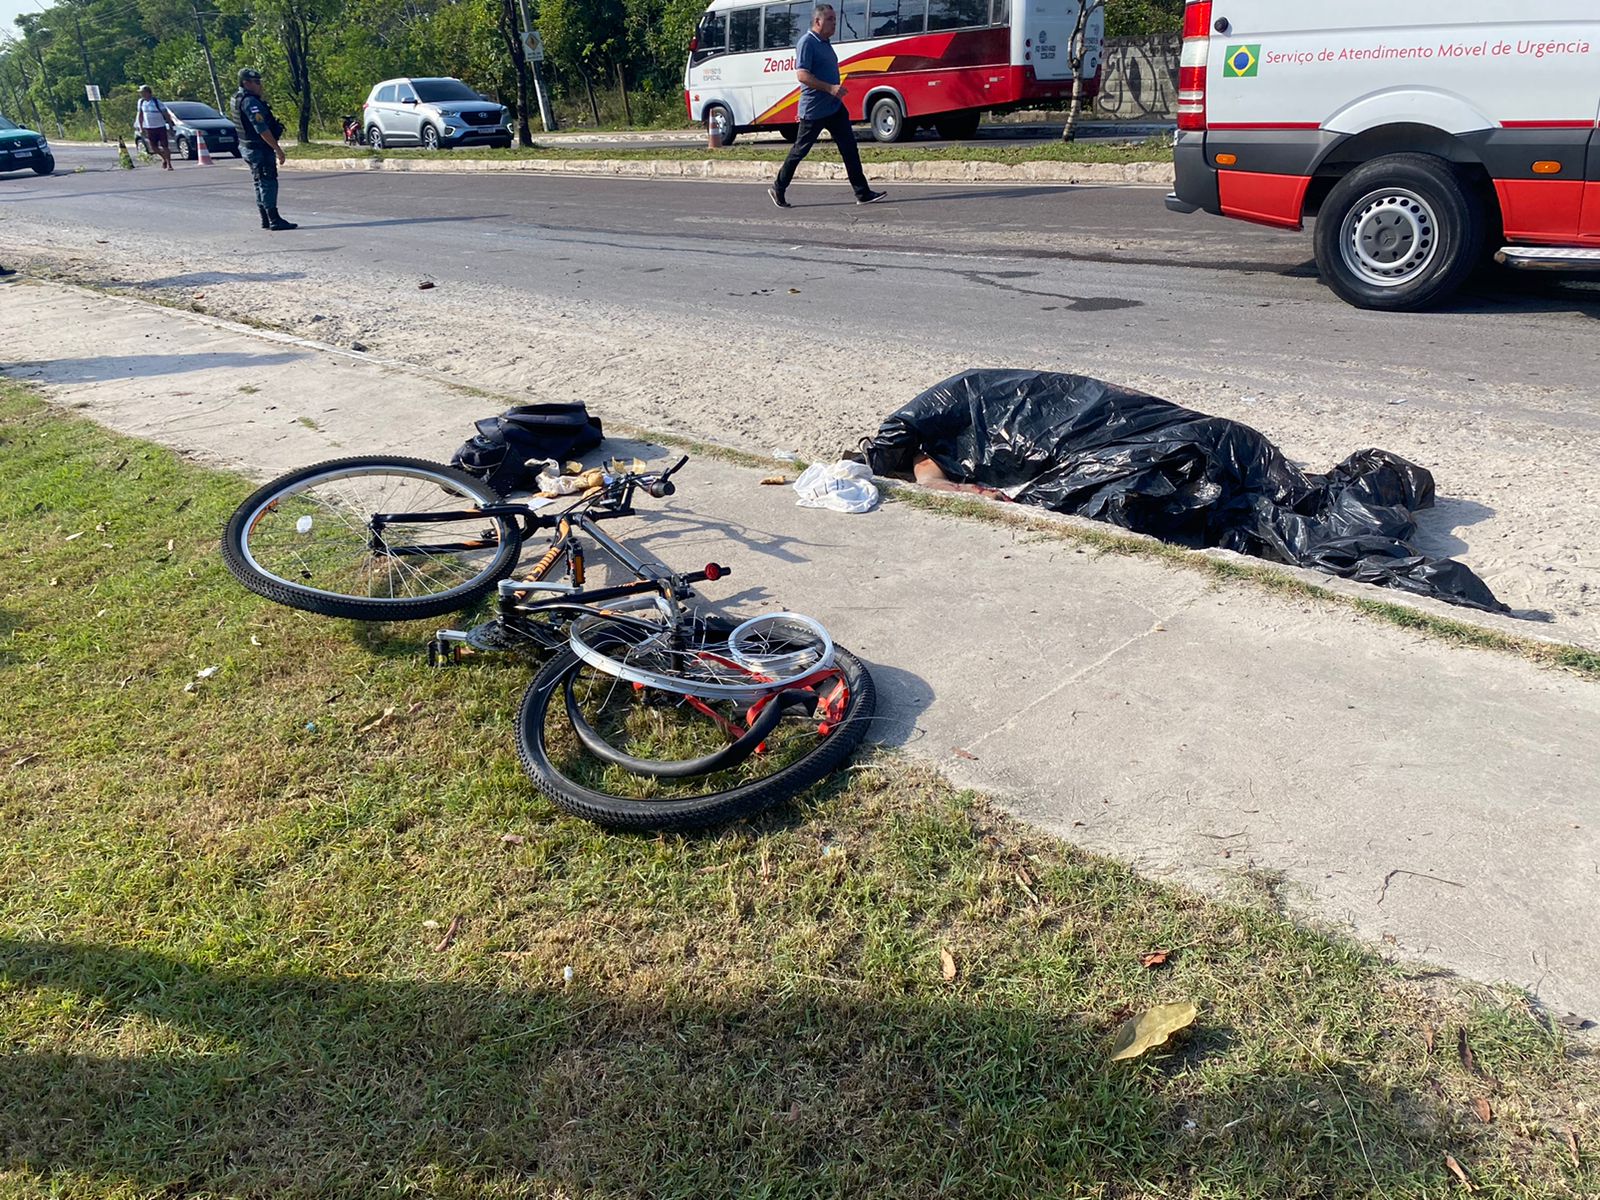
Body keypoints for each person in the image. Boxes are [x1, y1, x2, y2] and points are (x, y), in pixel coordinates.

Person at [769, 3, 886, 209]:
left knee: (849, 148)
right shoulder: (807, 42)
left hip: (834, 108)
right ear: (817, 21)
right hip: (814, 110)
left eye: (835, 19)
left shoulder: (825, 43)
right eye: (830, 19)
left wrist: (834, 93)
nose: (834, 23)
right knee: (800, 151)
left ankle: (862, 192)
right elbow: (802, 75)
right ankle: (778, 187)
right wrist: (830, 88)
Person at [231, 68, 297, 231]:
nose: (260, 86)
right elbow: (261, 129)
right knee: (268, 182)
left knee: (259, 181)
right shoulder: (250, 102)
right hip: (258, 148)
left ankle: (265, 219)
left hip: (247, 146)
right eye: (257, 82)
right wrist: (278, 149)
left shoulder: (238, 98)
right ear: (246, 83)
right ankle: (274, 219)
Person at [136, 86, 177, 170]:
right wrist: (141, 127)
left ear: (148, 92)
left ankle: (169, 164)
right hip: (149, 127)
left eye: (143, 92)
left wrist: (170, 126)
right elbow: (140, 115)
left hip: (160, 127)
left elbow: (166, 115)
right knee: (154, 147)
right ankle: (164, 158)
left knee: (165, 146)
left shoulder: (157, 102)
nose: (141, 94)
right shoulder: (141, 102)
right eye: (141, 93)